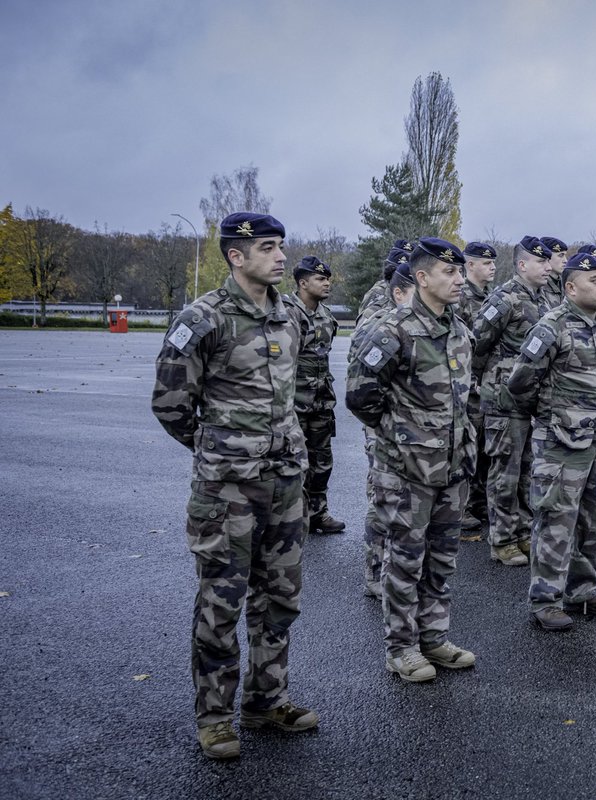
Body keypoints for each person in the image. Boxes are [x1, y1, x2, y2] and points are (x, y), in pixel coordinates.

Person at [152, 212, 317, 760]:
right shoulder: (203, 318)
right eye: (267, 248)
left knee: (279, 599)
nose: (279, 256)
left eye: (281, 246)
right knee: (221, 602)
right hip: (227, 491)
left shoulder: (290, 315)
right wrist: (220, 451)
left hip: (285, 483)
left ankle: (267, 701)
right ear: (236, 256)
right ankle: (216, 719)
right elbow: (172, 405)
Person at [345, 237, 478, 683]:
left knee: (442, 559)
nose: (459, 280)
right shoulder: (392, 329)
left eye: (460, 272)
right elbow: (361, 395)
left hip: (453, 467)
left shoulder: (459, 329)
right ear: (421, 278)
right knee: (404, 561)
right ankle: (402, 648)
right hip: (406, 471)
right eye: (449, 273)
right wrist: (402, 436)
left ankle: (434, 638)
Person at [509, 253, 596, 630]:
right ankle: (545, 600)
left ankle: (582, 589)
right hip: (559, 443)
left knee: (595, 520)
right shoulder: (551, 327)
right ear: (571, 287)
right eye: (595, 280)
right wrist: (550, 415)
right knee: (556, 522)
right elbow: (520, 383)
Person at [472, 236, 552, 566]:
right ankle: (502, 538)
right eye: (541, 261)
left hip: (530, 399)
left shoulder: (542, 298)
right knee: (504, 470)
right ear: (522, 265)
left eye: (549, 261)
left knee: (526, 471)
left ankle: (520, 532)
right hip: (503, 398)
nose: (548, 267)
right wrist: (483, 384)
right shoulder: (504, 299)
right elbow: (477, 343)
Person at [358, 260, 417, 598]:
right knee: (383, 500)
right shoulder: (381, 328)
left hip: (422, 443)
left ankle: (401, 572)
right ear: (399, 293)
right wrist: (387, 425)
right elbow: (361, 391)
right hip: (387, 433)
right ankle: (375, 573)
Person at [283, 256, 345, 534]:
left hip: (320, 401)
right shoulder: (286, 313)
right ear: (303, 282)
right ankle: (290, 518)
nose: (326, 283)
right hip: (292, 403)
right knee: (291, 463)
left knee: (322, 463)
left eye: (327, 278)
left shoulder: (326, 316)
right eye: (320, 279)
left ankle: (317, 513)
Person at [457, 241, 498, 533]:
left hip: (487, 384)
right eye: (486, 262)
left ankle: (480, 499)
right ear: (470, 265)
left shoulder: (492, 298)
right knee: (466, 446)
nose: (492, 266)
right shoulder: (459, 298)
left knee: (485, 446)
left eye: (493, 262)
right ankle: (463, 505)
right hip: (467, 382)